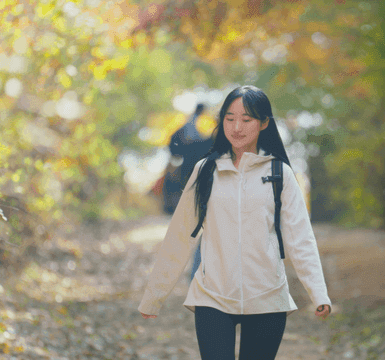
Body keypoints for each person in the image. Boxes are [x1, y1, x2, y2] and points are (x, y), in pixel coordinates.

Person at [138, 85, 331, 360]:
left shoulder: (280, 173)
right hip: (212, 298)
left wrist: (319, 293)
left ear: (264, 123)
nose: (236, 127)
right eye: (229, 119)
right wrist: (154, 296)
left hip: (268, 299)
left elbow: (300, 238)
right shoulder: (205, 171)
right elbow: (179, 237)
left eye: (246, 119)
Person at [161, 103, 213, 281]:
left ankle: (196, 277)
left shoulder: (191, 130)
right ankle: (197, 278)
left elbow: (176, 147)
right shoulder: (195, 132)